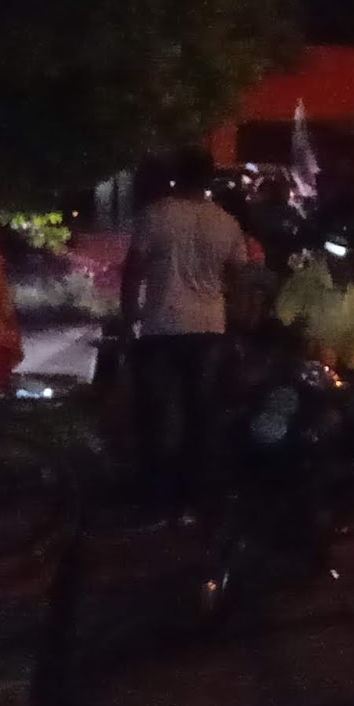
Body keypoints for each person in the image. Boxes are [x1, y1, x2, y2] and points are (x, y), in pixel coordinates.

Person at [120, 146, 251, 521]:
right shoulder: (226, 222)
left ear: (177, 175)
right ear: (209, 178)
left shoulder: (156, 215)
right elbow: (239, 278)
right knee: (202, 416)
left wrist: (128, 321)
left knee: (157, 415)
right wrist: (238, 326)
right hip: (209, 328)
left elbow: (133, 272)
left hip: (162, 327)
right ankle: (199, 500)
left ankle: (157, 499)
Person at [274, 214, 354, 374]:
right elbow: (283, 323)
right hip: (311, 369)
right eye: (331, 250)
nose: (336, 260)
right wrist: (311, 347)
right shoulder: (306, 276)